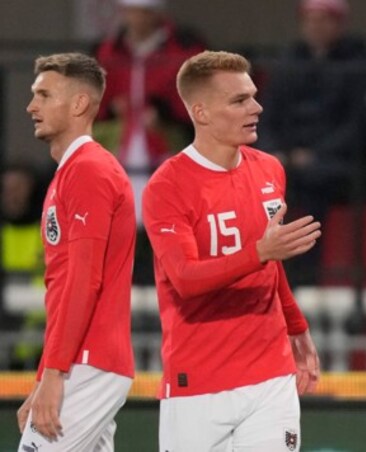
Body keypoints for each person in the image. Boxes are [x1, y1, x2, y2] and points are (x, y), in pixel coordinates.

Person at [142, 50, 322, 451]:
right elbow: (185, 279)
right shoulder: (167, 186)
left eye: (253, 95)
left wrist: (296, 327)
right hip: (198, 381)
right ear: (201, 113)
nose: (256, 107)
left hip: (270, 375)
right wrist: (259, 251)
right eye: (239, 100)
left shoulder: (269, 169)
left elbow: (271, 267)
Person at [18, 53, 136, 450]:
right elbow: (64, 283)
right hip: (82, 360)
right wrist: (42, 378)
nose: (31, 106)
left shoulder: (89, 170)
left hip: (87, 360)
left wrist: (53, 374)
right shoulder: (70, 172)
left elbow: (84, 281)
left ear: (80, 104)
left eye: (44, 95)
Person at [257, 0, 366, 286]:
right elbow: (267, 115)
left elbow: (362, 125)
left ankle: (304, 277)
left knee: (311, 180)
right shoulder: (290, 60)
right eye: (310, 20)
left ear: (339, 24)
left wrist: (315, 154)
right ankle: (259, 273)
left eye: (323, 19)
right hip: (288, 157)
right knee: (261, 182)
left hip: (340, 163)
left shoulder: (358, 62)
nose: (315, 26)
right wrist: (273, 151)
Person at [95, 0, 206, 285]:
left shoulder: (183, 49)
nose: (135, 19)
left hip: (167, 148)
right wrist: (110, 113)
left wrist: (166, 115)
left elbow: (198, 99)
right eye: (130, 11)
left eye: (142, 12)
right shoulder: (108, 50)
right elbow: (93, 102)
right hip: (119, 149)